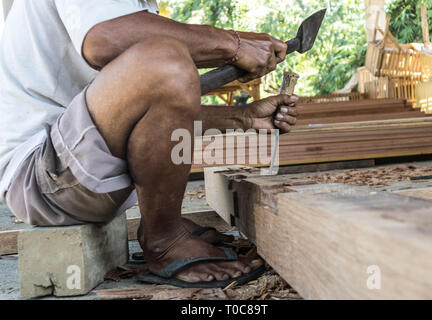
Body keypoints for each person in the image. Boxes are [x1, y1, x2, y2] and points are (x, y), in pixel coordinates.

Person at [0, 0, 300, 287]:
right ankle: (164, 239)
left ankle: (162, 223)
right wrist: (231, 44)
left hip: (72, 171)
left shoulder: (132, 7)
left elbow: (151, 111)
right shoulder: (115, 20)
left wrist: (244, 118)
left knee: (166, 59)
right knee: (165, 59)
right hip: (41, 178)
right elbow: (103, 41)